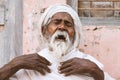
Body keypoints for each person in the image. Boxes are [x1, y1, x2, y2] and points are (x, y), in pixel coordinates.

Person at [0, 4, 115, 80]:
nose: (62, 27)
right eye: (56, 22)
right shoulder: (32, 63)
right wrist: (15, 63)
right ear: (44, 30)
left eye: (68, 24)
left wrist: (94, 70)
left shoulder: (87, 63)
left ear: (74, 33)